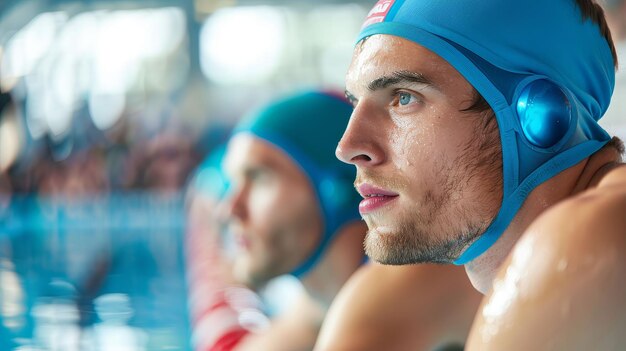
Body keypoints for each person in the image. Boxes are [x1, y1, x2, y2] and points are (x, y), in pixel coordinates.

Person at [335, 0, 626, 350]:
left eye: (404, 98)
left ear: (539, 117)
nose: (348, 146)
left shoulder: (590, 242)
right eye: (356, 103)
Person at [195, 90, 367, 351]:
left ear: (338, 190)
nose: (228, 210)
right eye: (233, 182)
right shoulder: (316, 308)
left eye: (258, 178)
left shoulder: (411, 311)